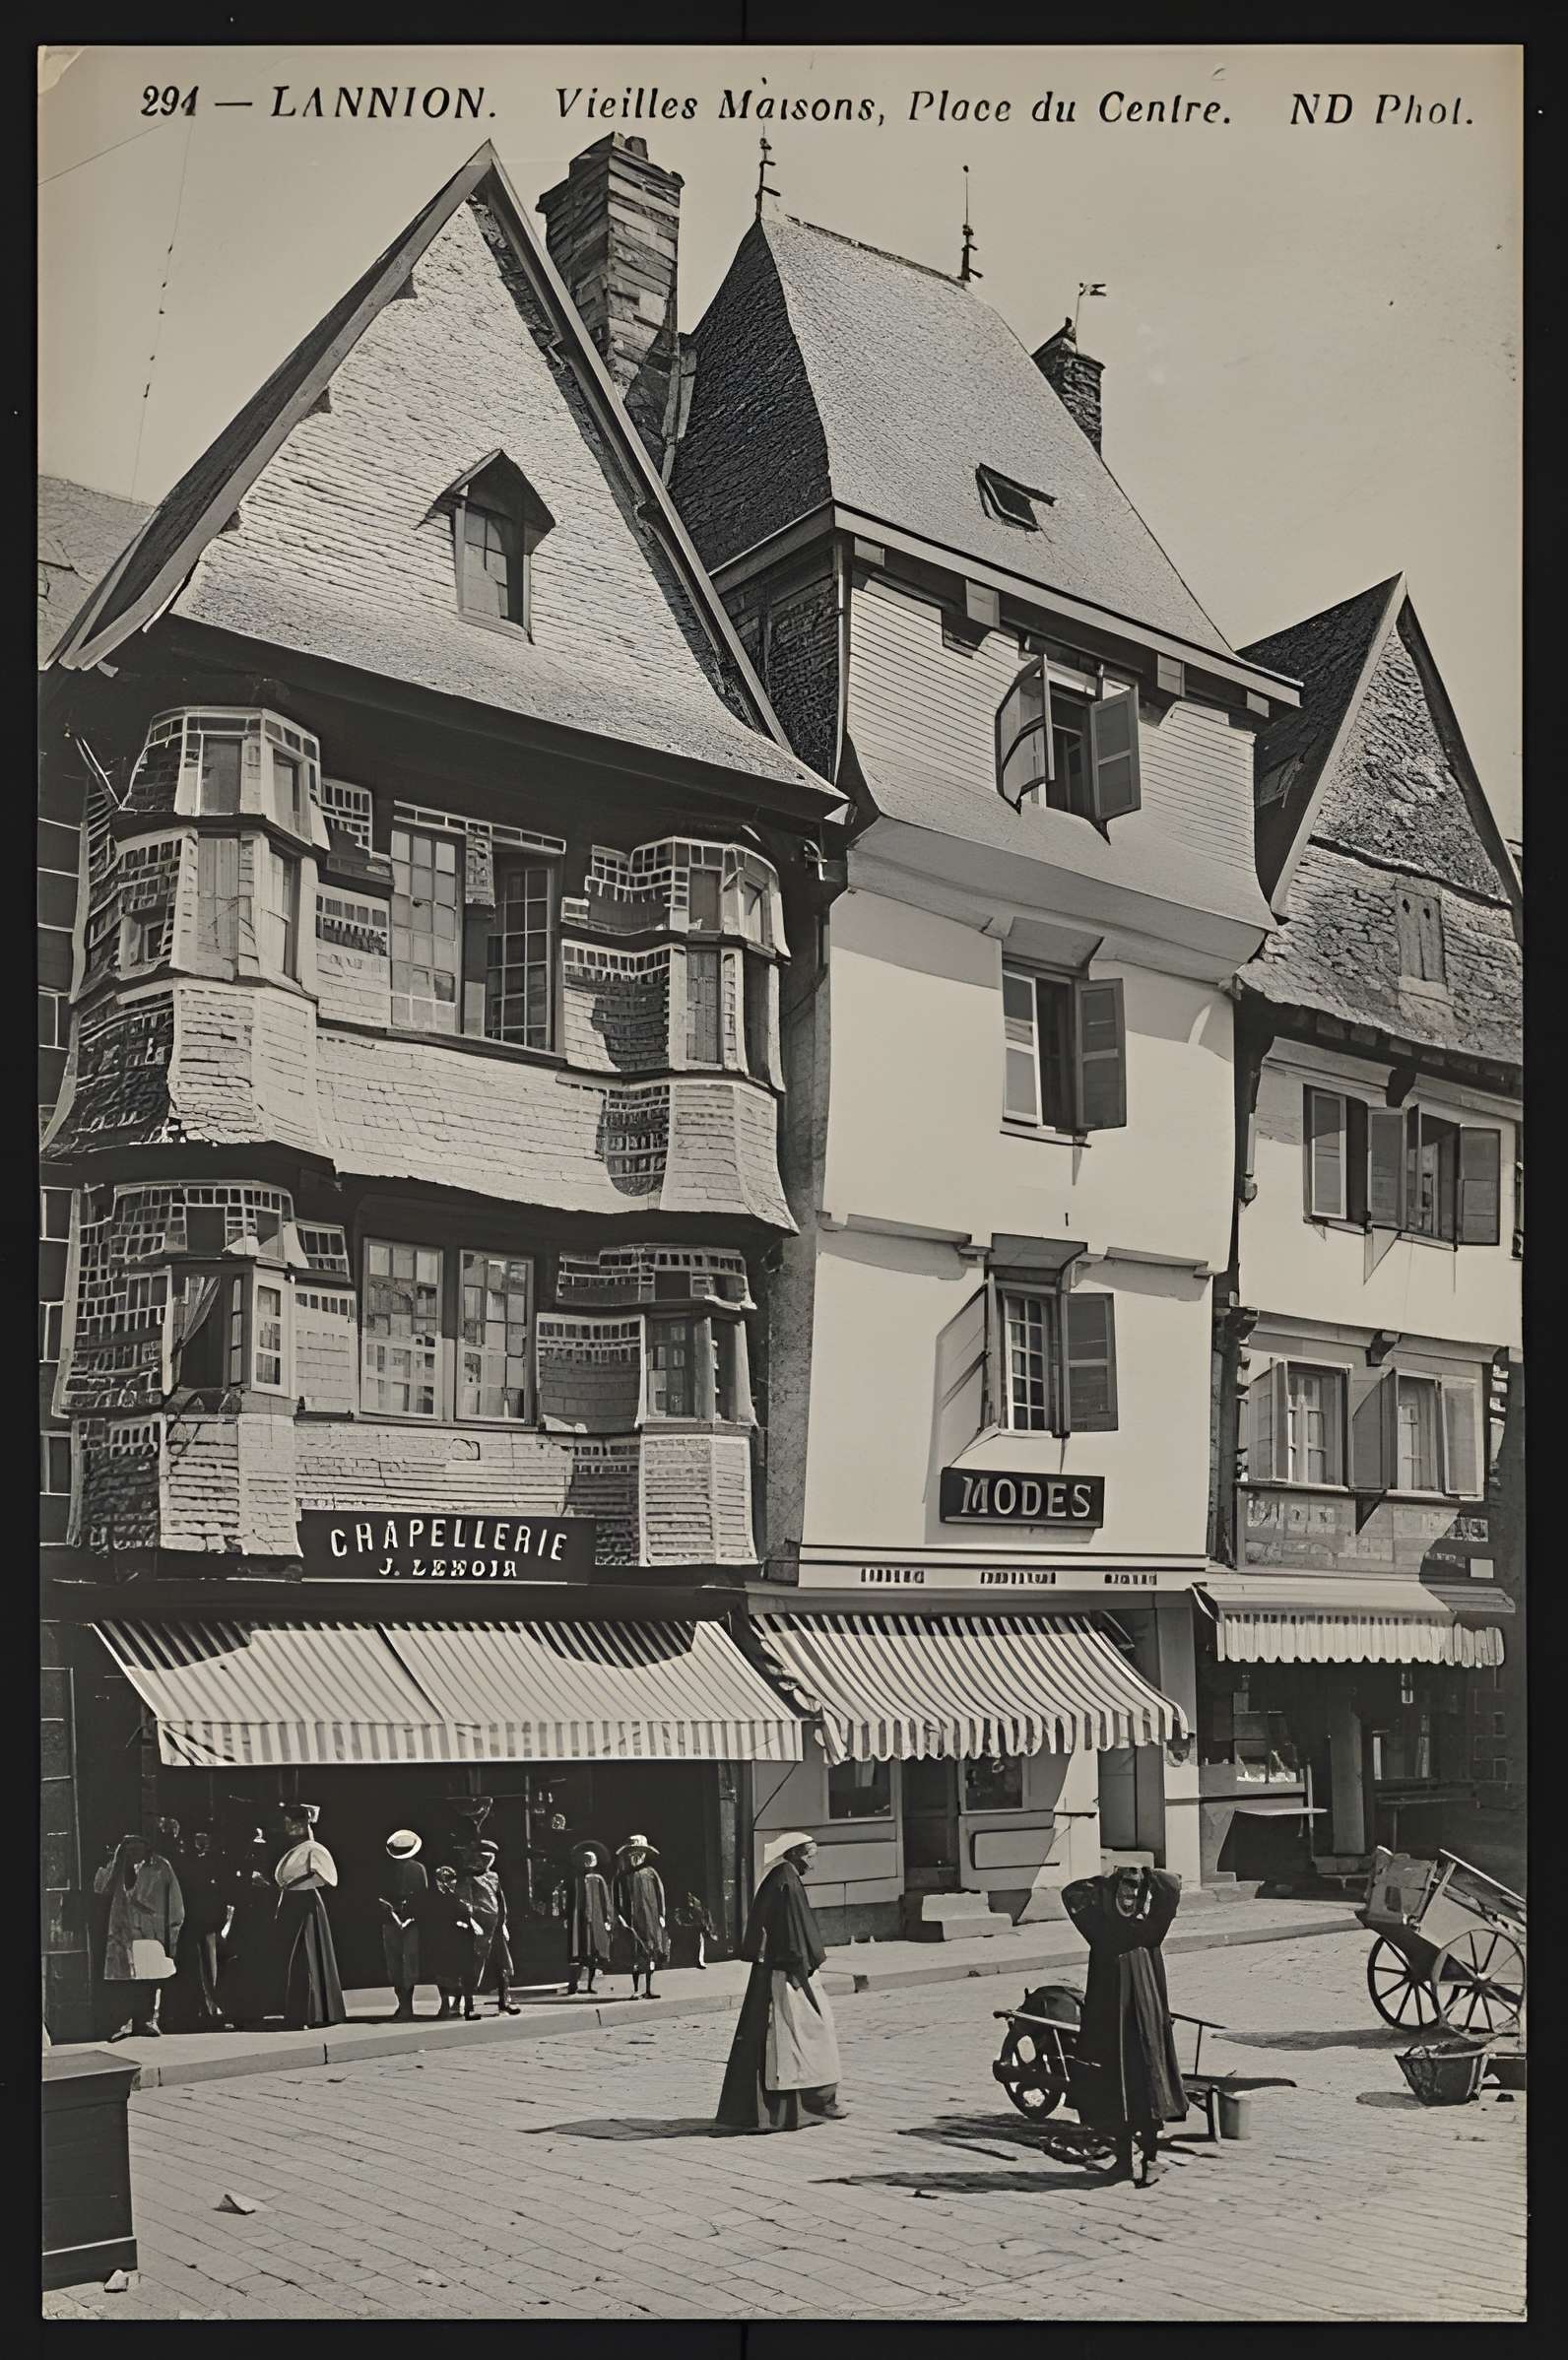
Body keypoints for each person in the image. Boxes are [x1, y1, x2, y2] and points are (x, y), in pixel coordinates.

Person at [1061, 1865, 1188, 2187]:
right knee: (1113, 2090)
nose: (1128, 1900)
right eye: (1122, 1893)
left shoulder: (1150, 1929)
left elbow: (1171, 1886)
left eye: (1134, 1894)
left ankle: (1150, 2159)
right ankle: (1122, 2160)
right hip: (1109, 2022)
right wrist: (1106, 1881)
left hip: (1143, 2022)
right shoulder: (1100, 1927)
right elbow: (1072, 1893)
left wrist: (1147, 1873)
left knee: (1145, 2087)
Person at [716, 1832, 846, 2133]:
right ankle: (806, 2104)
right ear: (796, 1854)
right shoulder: (785, 1881)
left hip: (787, 1967)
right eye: (810, 1855)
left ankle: (816, 2099)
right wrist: (798, 1967)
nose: (813, 1862)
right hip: (786, 1972)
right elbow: (789, 1931)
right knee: (798, 2035)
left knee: (806, 2034)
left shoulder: (784, 1877)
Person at [93, 1834, 184, 2040]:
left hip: (150, 1930)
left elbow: (175, 1902)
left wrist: (171, 1930)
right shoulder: (117, 1867)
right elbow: (100, 1888)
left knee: (149, 1978)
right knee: (126, 1978)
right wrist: (115, 1863)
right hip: (123, 1931)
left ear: (146, 1847)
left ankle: (146, 2021)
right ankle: (125, 2021)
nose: (132, 1853)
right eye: (128, 1849)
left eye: (137, 1848)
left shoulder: (161, 1867)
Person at [274, 1804, 347, 2030]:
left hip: (306, 1905)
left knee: (307, 1957)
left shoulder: (313, 1849)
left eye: (291, 1823)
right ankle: (298, 2013)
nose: (288, 1827)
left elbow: (326, 1878)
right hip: (292, 1904)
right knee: (296, 1960)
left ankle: (313, 2013)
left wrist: (296, 1885)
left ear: (301, 1825)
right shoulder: (296, 1850)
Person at [165, 1827, 229, 2031]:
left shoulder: (215, 1862)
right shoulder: (184, 1863)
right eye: (197, 1838)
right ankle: (193, 2011)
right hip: (190, 1921)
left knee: (210, 1967)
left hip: (207, 1922)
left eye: (205, 1837)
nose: (201, 1842)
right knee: (192, 1966)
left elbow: (219, 1893)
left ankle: (209, 2008)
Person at [457, 1840, 519, 2017]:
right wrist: (471, 1922)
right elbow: (464, 1901)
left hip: (496, 1927)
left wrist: (504, 1923)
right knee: (474, 1965)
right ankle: (469, 2007)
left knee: (503, 1965)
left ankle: (504, 2002)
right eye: (484, 1858)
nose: (487, 1862)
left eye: (490, 1859)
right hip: (479, 1927)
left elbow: (501, 1900)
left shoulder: (494, 1877)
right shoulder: (468, 1878)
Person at [414, 1865, 484, 2019]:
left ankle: (465, 2006)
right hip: (444, 1940)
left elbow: (466, 1915)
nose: (451, 1882)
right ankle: (447, 2005)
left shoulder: (458, 1895)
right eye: (447, 1880)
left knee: (465, 1973)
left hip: (460, 1939)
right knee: (444, 1974)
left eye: (452, 1879)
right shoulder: (435, 1898)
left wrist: (466, 1925)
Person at [379, 1830, 427, 2021]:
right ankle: (404, 2005)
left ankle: (406, 2006)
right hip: (394, 1919)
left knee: (404, 1963)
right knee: (399, 1963)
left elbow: (422, 1897)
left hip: (409, 1921)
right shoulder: (392, 1870)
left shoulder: (416, 1869)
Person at [614, 1835, 669, 1999]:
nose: (635, 1857)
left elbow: (660, 1895)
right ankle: (636, 1989)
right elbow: (615, 1900)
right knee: (635, 1955)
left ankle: (649, 1988)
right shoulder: (621, 1877)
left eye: (639, 1853)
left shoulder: (650, 1873)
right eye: (632, 1853)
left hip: (650, 1920)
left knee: (650, 1953)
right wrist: (619, 1918)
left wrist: (661, 1915)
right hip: (631, 1922)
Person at [564, 1841, 615, 1997]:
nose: (587, 1863)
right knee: (577, 1953)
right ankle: (573, 1985)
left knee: (593, 1953)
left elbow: (606, 1900)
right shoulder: (575, 1879)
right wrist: (566, 1916)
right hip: (578, 1920)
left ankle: (590, 1985)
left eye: (589, 1860)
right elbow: (569, 1900)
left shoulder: (598, 1879)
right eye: (584, 1860)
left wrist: (608, 1918)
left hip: (595, 1920)